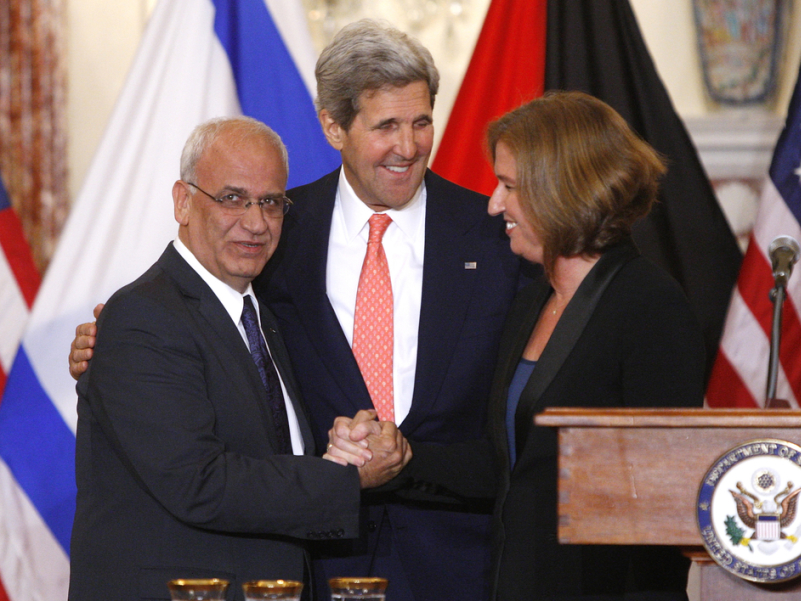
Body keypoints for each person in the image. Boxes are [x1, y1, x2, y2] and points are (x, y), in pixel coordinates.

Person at [69, 20, 523, 601]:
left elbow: (522, 407)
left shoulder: (498, 238)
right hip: (303, 563)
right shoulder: (277, 234)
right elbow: (188, 341)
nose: (408, 147)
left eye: (420, 122)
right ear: (333, 127)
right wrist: (104, 345)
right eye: (385, 126)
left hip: (455, 565)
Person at [327, 91, 705, 600]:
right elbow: (506, 466)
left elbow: (663, 498)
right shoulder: (533, 300)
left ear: (562, 190)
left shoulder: (648, 306)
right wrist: (401, 455)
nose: (493, 204)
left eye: (509, 186)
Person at [68, 116, 409, 601]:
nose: (255, 223)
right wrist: (344, 478)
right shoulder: (144, 316)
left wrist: (343, 451)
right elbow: (199, 482)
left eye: (270, 202)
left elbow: (263, 452)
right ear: (183, 202)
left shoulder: (262, 315)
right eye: (232, 198)